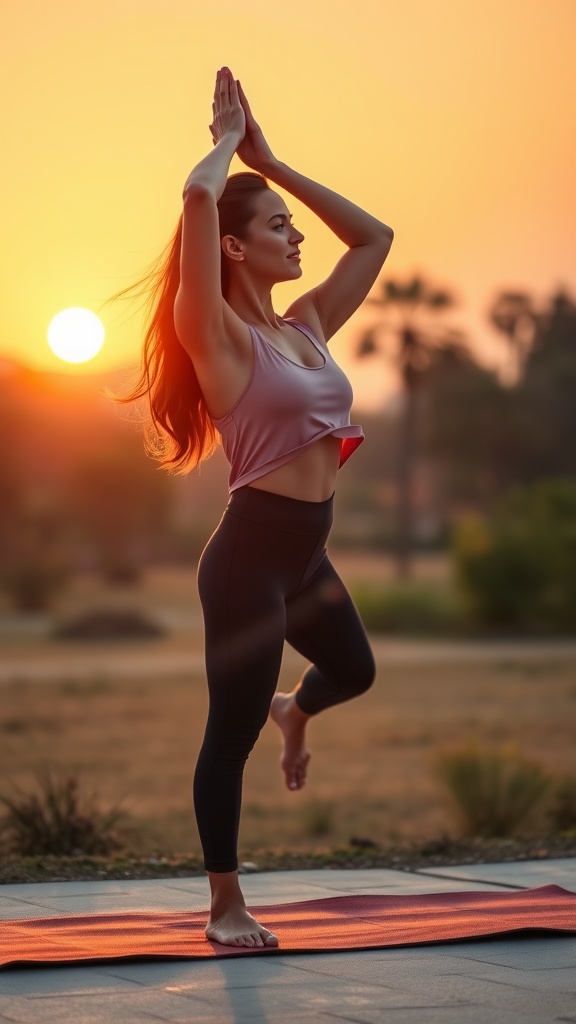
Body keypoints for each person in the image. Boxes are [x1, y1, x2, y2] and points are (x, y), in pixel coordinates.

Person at [117, 66, 393, 948]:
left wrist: (274, 167)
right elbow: (198, 201)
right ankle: (226, 906)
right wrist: (227, 149)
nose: (295, 234)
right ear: (234, 249)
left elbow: (375, 238)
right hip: (247, 562)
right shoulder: (220, 337)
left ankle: (295, 709)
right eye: (277, 225)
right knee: (227, 735)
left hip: (307, 552)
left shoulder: (305, 325)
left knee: (353, 671)